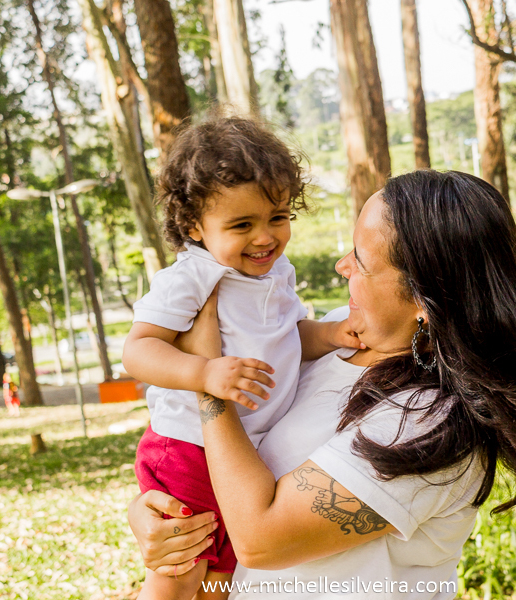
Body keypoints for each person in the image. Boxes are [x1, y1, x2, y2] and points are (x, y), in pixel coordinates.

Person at [128, 170, 516, 599]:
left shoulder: (429, 419)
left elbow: (260, 540)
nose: (341, 266)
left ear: (424, 299)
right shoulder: (331, 335)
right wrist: (158, 516)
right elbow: (228, 458)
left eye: (361, 259)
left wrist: (208, 380)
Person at [121, 117, 362, 600]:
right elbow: (138, 350)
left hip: (243, 454)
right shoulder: (193, 277)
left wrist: (329, 333)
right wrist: (204, 371)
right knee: (179, 571)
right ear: (194, 226)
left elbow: (287, 337)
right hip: (189, 445)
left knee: (223, 581)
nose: (264, 237)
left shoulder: (276, 271)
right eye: (241, 225)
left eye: (277, 217)